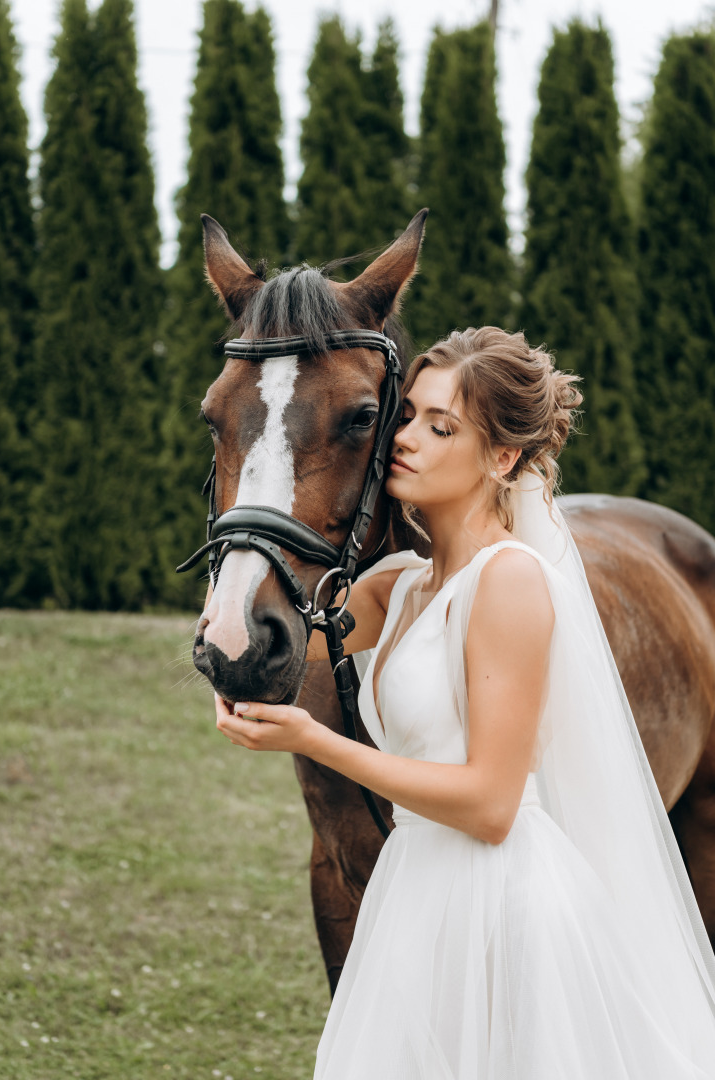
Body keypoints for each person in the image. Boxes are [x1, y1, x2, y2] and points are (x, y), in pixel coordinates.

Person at [214, 326, 715, 1078]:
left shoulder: (509, 582)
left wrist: (314, 741)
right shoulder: (403, 588)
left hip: (504, 906)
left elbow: (491, 803)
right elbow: (267, 636)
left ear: (503, 457)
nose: (406, 439)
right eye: (407, 415)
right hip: (417, 899)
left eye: (441, 426)